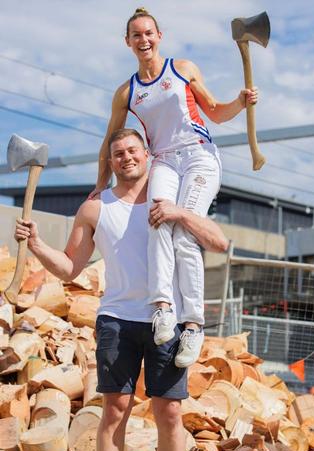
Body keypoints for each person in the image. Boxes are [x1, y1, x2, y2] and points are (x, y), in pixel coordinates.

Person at [14, 129, 228, 451]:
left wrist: (179, 213)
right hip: (117, 319)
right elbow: (70, 267)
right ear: (110, 162)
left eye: (132, 150)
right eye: (118, 153)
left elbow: (219, 243)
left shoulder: (172, 198)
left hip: (167, 321)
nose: (126, 157)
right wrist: (35, 244)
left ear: (147, 155)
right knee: (114, 409)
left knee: (170, 412)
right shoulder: (95, 208)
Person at [91, 9, 258, 369]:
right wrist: (99, 185)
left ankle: (194, 324)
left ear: (159, 35)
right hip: (163, 160)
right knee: (158, 223)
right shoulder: (127, 92)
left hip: (199, 156)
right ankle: (163, 309)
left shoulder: (182, 69)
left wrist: (240, 103)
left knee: (184, 235)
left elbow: (213, 111)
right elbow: (109, 140)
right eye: (136, 35)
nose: (144, 40)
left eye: (149, 33)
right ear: (128, 42)